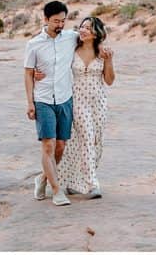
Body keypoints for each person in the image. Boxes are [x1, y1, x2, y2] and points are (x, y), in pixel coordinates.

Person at [41, 16, 115, 199]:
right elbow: (54, 63)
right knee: (87, 137)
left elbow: (109, 80)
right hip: (78, 101)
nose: (83, 30)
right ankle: (92, 184)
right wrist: (37, 72)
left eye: (88, 28)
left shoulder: (102, 52)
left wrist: (109, 61)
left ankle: (75, 181)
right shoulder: (72, 50)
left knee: (94, 141)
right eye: (82, 27)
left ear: (96, 32)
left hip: (98, 102)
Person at [23, 0, 78, 206]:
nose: (60, 25)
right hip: (43, 99)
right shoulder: (34, 44)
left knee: (60, 146)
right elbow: (28, 74)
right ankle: (56, 191)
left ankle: (42, 178)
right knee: (48, 145)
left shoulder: (72, 38)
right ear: (45, 20)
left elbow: (93, 38)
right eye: (56, 21)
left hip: (65, 99)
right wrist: (30, 103)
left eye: (63, 21)